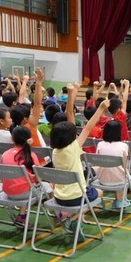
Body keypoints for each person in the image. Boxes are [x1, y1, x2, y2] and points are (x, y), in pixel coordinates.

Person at [50, 85, 109, 235]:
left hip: (59, 197)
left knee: (86, 191)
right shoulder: (74, 148)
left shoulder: (55, 152)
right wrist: (101, 109)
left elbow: (69, 113)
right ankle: (74, 218)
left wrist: (71, 93)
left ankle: (73, 219)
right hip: (76, 197)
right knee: (100, 193)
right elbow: (88, 128)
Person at [0, 126, 42, 225]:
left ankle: (22, 216)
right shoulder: (31, 155)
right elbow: (38, 178)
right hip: (25, 193)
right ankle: (60, 215)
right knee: (49, 186)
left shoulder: (5, 154)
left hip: (8, 191)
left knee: (24, 184)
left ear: (12, 139)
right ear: (29, 139)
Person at [94, 120, 131, 209]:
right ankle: (120, 200)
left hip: (102, 179)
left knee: (113, 170)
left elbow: (97, 162)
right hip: (119, 180)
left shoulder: (100, 145)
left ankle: (119, 200)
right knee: (123, 172)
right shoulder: (123, 146)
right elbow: (124, 165)